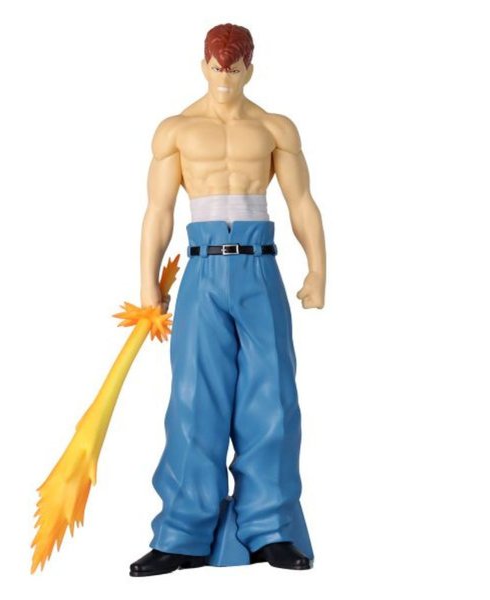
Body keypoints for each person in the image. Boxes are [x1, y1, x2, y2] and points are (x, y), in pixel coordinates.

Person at [130, 23, 326, 577]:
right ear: (204, 66)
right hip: (202, 269)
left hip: (260, 266)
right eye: (217, 67)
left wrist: (317, 269)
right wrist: (148, 283)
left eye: (234, 68)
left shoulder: (273, 128)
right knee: (194, 398)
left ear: (249, 69)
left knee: (273, 398)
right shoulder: (177, 131)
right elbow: (158, 211)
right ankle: (182, 534)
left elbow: (302, 202)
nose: (224, 77)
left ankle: (272, 529)